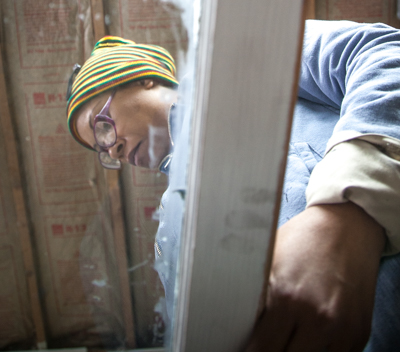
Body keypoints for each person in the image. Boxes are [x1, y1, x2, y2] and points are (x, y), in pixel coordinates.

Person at [66, 21, 400, 352]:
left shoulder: (239, 66)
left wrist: (344, 219)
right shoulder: (168, 233)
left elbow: (382, 53)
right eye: (101, 151)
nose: (111, 150)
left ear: (144, 79)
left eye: (102, 128)